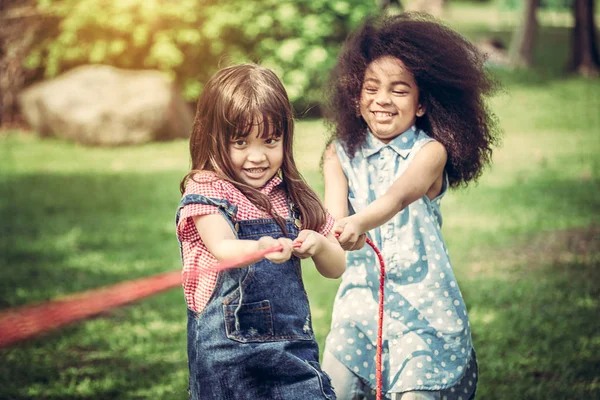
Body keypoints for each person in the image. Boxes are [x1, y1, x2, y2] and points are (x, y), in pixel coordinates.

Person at [321, 13, 501, 400]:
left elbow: (398, 196)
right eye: (372, 88)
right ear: (356, 96)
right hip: (360, 307)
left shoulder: (430, 152)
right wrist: (326, 237)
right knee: (332, 389)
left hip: (425, 307)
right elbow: (334, 220)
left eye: (399, 90)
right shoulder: (338, 155)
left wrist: (360, 222)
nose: (382, 99)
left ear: (422, 105)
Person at [176, 63, 345, 400]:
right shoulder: (207, 188)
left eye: (271, 140)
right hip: (227, 360)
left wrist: (318, 245)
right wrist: (261, 246)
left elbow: (336, 267)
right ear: (214, 138)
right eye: (240, 142)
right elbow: (223, 247)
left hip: (292, 351)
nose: (257, 156)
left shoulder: (291, 193)